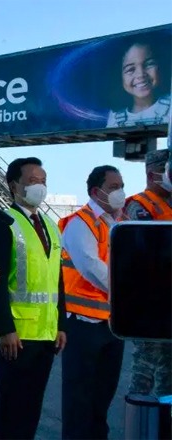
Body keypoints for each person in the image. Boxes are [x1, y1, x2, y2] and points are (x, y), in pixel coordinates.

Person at [0, 157, 67, 439]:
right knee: (10, 409)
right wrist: (5, 329)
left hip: (46, 333)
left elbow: (57, 279)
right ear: (14, 185)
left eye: (43, 181)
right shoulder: (3, 222)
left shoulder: (50, 225)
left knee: (31, 409)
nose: (39, 186)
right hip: (16, 335)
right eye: (32, 181)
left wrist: (61, 324)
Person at [59, 165, 127, 439]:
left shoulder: (117, 224)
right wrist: (129, 292)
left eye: (121, 186)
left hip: (111, 324)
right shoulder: (81, 223)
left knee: (102, 399)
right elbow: (91, 267)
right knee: (79, 400)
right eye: (114, 187)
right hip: (82, 325)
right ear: (96, 192)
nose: (120, 192)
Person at [124, 149, 172, 399]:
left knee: (169, 371)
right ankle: (138, 415)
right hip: (150, 301)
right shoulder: (138, 205)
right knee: (145, 368)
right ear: (154, 174)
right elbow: (146, 248)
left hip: (168, 299)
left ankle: (166, 413)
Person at [107, 41, 170, 128]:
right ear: (118, 77)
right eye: (130, 69)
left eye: (149, 64)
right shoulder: (115, 116)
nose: (140, 74)